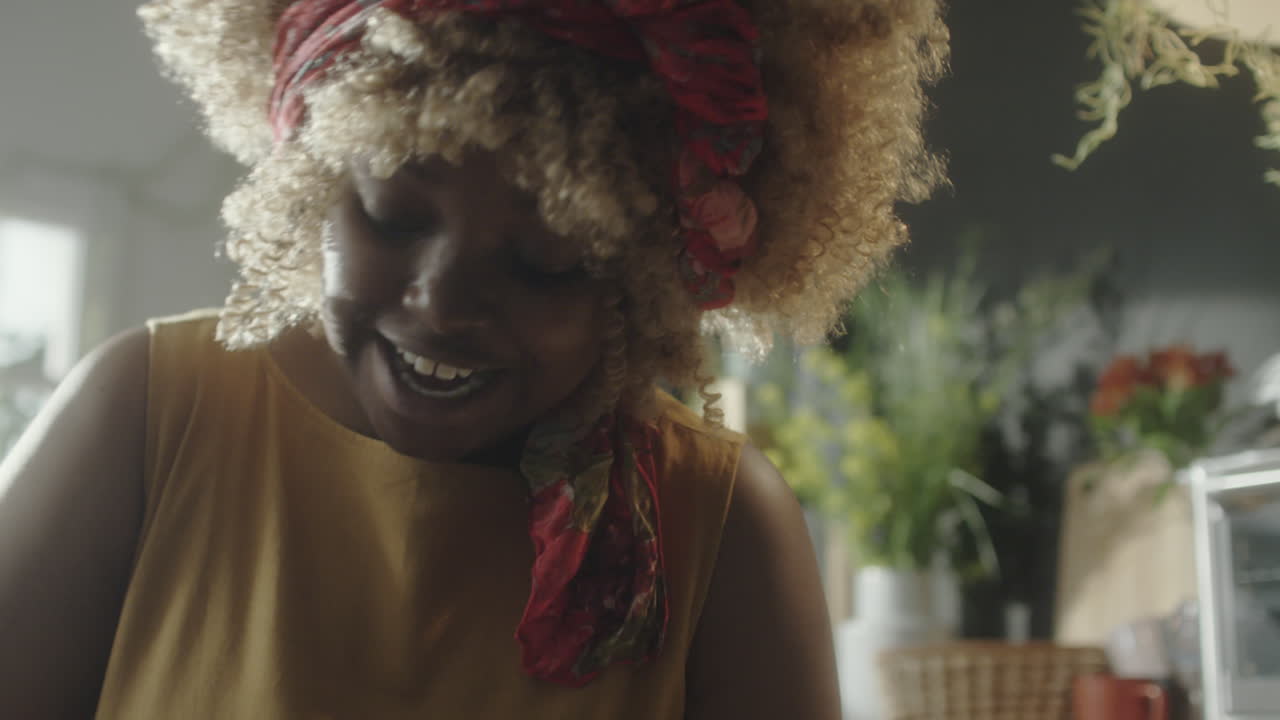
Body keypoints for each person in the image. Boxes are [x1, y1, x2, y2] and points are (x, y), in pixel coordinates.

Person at [0, 0, 948, 717]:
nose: (440, 302)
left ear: (642, 277)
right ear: (316, 180)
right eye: (392, 217)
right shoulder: (148, 418)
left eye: (543, 263)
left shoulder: (721, 531)